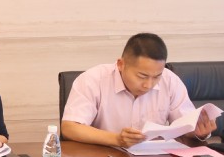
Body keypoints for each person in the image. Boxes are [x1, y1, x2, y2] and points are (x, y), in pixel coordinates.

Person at [61, 32, 217, 147]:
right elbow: (70, 128)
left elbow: (186, 125)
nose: (149, 85)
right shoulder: (93, 79)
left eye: (156, 76)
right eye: (142, 76)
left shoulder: (170, 80)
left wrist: (197, 131)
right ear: (121, 64)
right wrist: (116, 139)